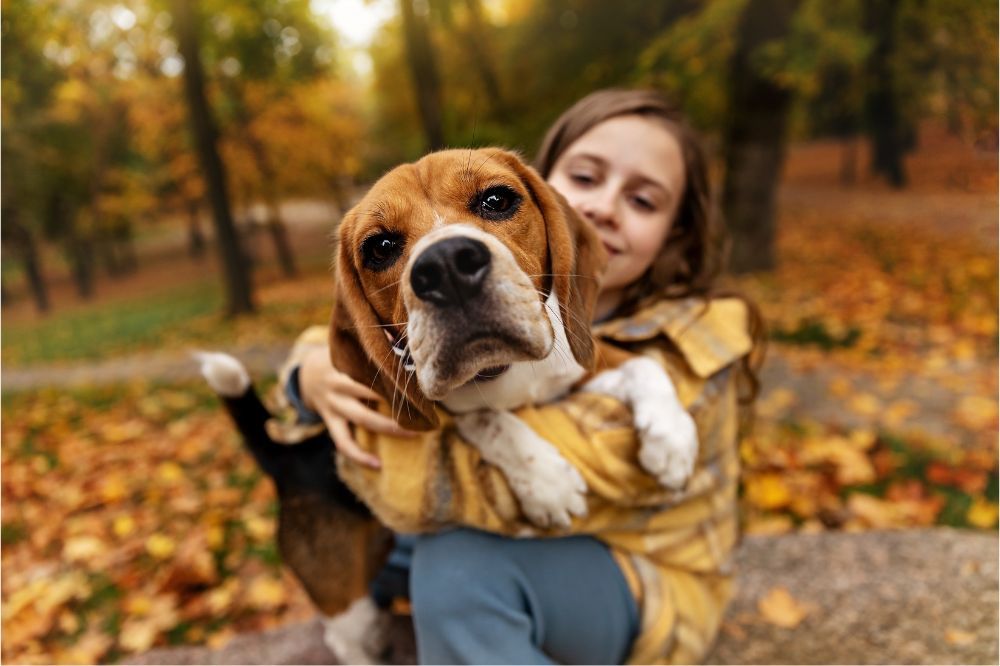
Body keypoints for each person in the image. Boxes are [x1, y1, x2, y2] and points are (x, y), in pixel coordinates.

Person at [279, 88, 763, 664]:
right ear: (553, 183)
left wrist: (466, 433)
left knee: (452, 566)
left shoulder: (705, 334)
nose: (605, 207)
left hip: (651, 583)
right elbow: (345, 341)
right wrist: (306, 374)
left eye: (492, 202)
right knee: (361, 550)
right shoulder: (407, 321)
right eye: (385, 247)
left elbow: (417, 485)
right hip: (534, 550)